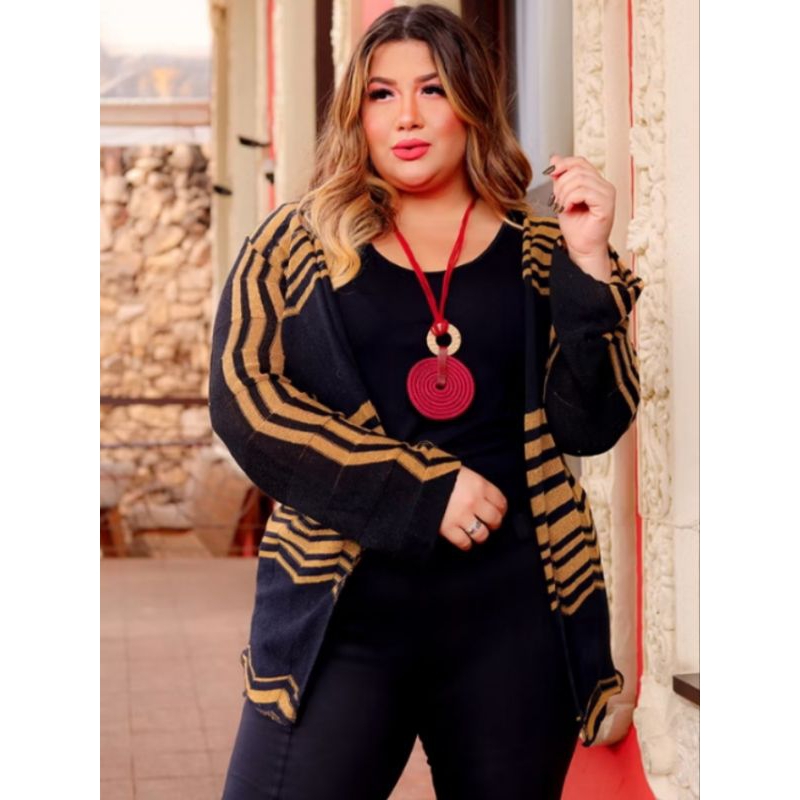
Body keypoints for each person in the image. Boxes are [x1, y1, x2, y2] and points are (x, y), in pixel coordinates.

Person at [209, 4, 644, 799]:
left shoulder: (541, 248)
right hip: (342, 612)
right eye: (382, 94)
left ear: (471, 103)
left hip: (515, 615)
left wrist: (588, 265)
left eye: (432, 89)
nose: (406, 116)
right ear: (357, 113)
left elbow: (593, 422)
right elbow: (245, 402)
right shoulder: (294, 244)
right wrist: (421, 490)